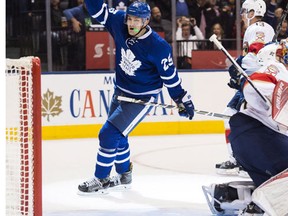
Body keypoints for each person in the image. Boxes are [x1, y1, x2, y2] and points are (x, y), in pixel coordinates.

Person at [78, 0, 195, 194]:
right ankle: (124, 174)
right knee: (119, 135)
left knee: (108, 134)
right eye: (130, 18)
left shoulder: (158, 46)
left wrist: (181, 98)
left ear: (147, 21)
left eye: (137, 20)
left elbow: (170, 77)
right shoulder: (119, 21)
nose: (132, 23)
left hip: (142, 98)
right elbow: (96, 9)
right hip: (120, 91)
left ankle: (101, 178)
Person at [203, 42, 288, 216]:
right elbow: (254, 86)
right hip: (263, 140)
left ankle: (232, 197)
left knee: (272, 180)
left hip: (246, 142)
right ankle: (261, 206)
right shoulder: (276, 67)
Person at [215, 0, 275, 177]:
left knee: (233, 116)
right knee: (233, 115)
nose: (241, 15)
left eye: (244, 11)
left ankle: (242, 160)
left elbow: (257, 54)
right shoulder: (262, 28)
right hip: (254, 81)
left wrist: (239, 64)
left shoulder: (258, 28)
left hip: (256, 82)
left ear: (253, 12)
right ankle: (242, 159)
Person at [63, 0, 94, 70]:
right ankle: (78, 67)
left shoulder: (92, 10)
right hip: (77, 36)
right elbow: (66, 12)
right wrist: (74, 21)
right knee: (80, 45)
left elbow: (89, 24)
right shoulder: (79, 9)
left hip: (89, 36)